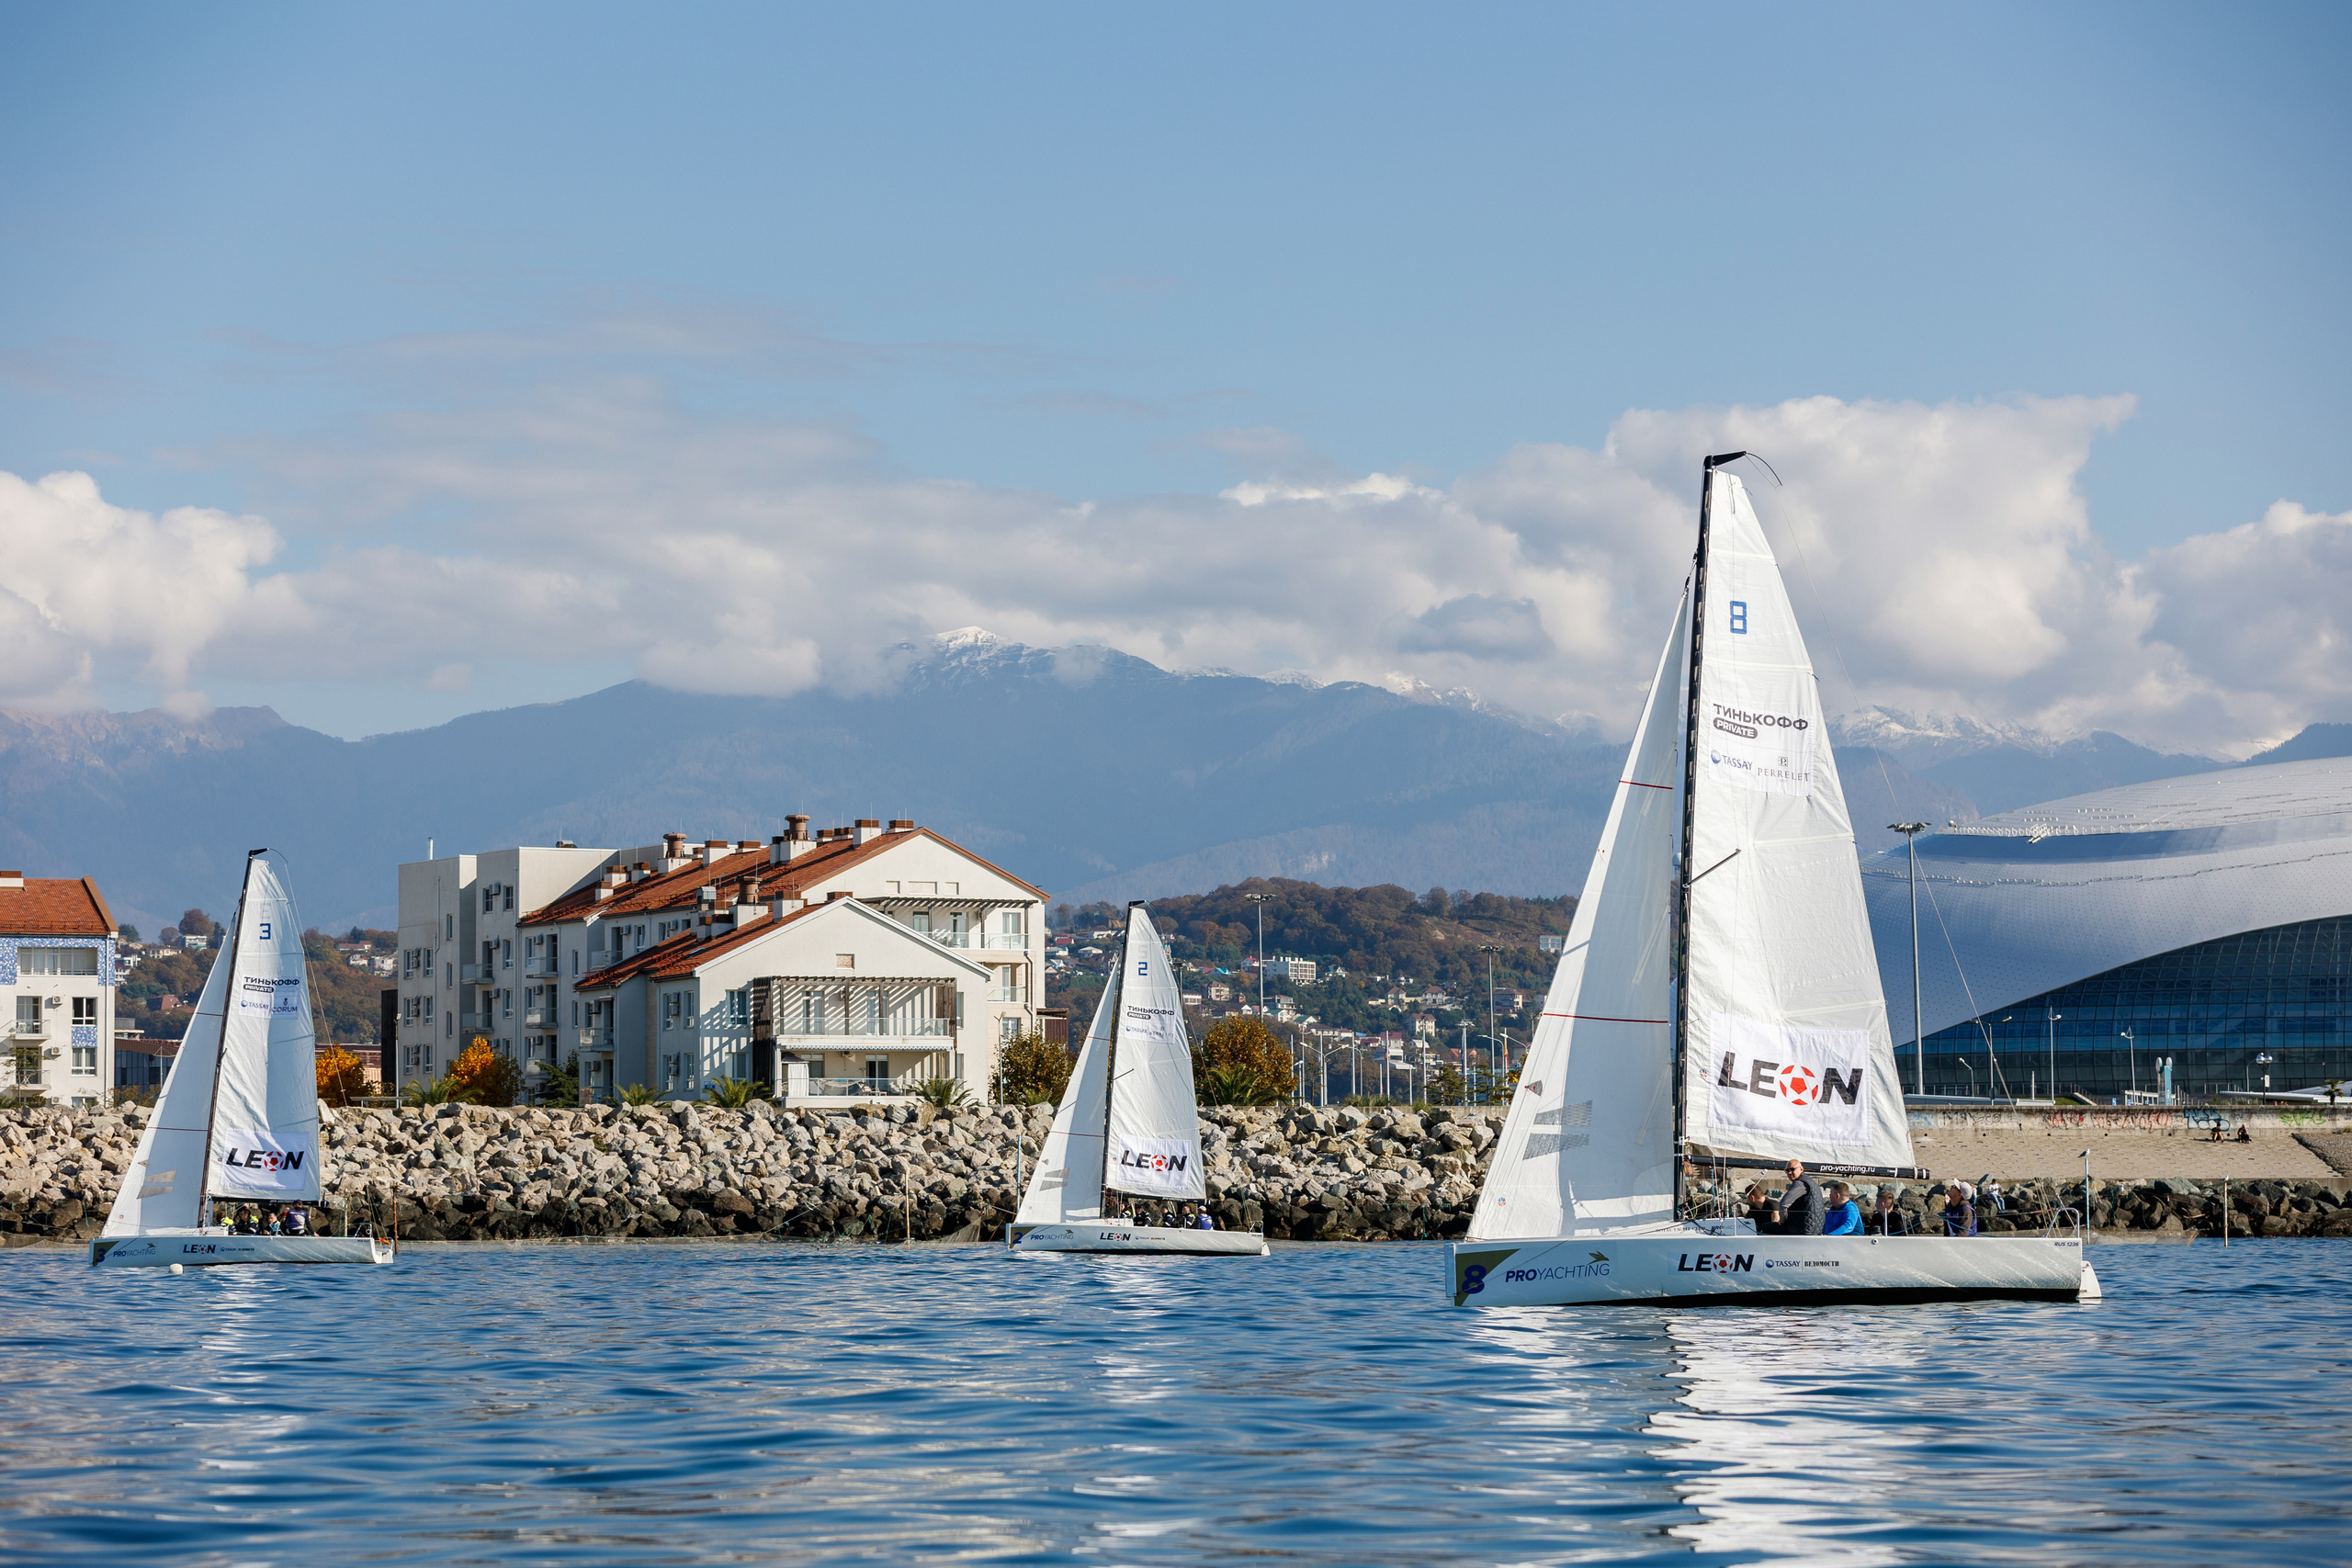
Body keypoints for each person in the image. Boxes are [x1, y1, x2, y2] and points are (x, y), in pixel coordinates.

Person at [1772, 1160, 1824, 1235]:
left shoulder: (1800, 1183)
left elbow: (1783, 1204)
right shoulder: (1810, 1182)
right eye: (1787, 1170)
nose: (1790, 1172)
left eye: (1792, 1169)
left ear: (1801, 1169)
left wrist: (1782, 1222)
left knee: (1765, 1227)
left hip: (1804, 1230)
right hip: (1814, 1229)